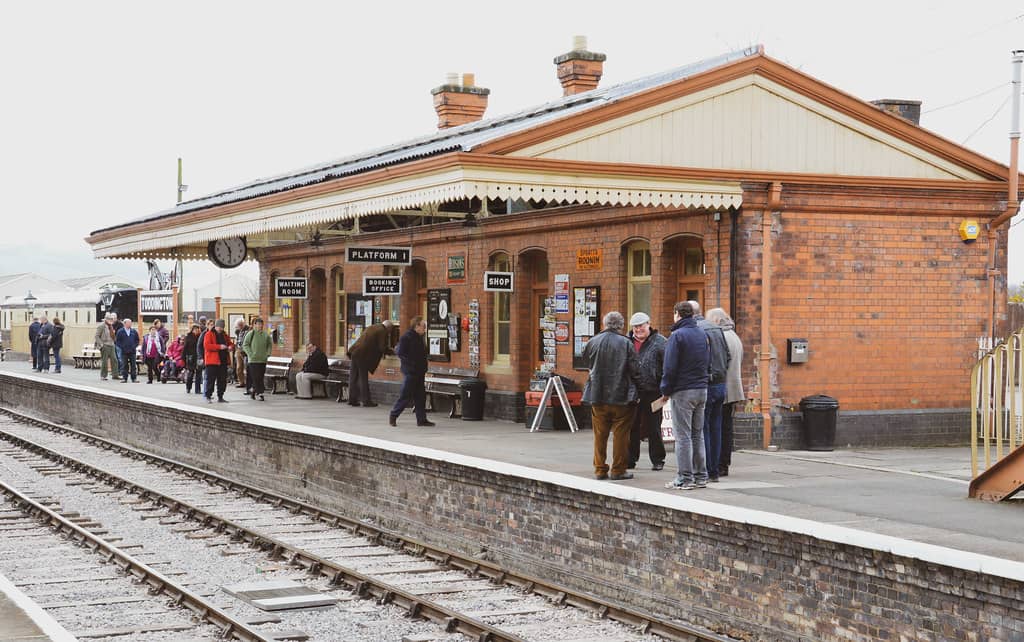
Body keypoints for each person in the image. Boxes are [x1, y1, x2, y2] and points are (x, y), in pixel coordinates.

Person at [582, 311, 640, 481]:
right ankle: (618, 469)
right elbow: (635, 370)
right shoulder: (626, 343)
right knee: (621, 435)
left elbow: (586, 362)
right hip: (621, 396)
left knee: (600, 434)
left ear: (605, 323)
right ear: (621, 325)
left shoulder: (593, 342)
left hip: (597, 395)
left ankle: (600, 469)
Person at [660, 301, 710, 491]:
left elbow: (669, 367)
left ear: (677, 314)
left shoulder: (677, 336)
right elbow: (708, 361)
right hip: (702, 388)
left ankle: (684, 478)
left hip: (683, 391)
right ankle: (700, 476)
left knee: (683, 437)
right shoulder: (702, 334)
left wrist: (665, 389)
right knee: (698, 435)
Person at [690, 301, 731, 483]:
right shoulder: (716, 329)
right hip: (721, 385)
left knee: (702, 429)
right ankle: (714, 470)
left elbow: (698, 359)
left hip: (705, 384)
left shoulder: (696, 330)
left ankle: (705, 469)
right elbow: (727, 356)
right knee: (716, 428)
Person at [626, 312, 667, 471]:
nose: (638, 329)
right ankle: (630, 459)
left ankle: (658, 459)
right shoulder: (626, 342)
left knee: (654, 427)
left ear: (649, 324)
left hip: (654, 391)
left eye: (641, 326)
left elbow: (667, 367)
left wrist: (665, 388)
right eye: (635, 327)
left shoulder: (660, 342)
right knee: (632, 426)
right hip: (632, 391)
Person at [708, 307, 744, 478]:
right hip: (733, 387)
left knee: (719, 428)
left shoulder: (721, 337)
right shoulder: (734, 336)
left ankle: (720, 463)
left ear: (716, 321)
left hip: (723, 387)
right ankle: (724, 463)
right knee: (726, 427)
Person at [389, 316, 433, 427]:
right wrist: (410, 365)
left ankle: (421, 419)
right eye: (423, 326)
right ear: (417, 326)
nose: (425, 329)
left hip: (420, 371)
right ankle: (393, 415)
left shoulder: (419, 337)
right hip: (411, 372)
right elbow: (400, 352)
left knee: (420, 397)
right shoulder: (407, 337)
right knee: (405, 395)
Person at [346, 320, 393, 406]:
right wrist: (392, 351)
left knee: (353, 377)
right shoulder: (382, 331)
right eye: (391, 330)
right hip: (362, 355)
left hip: (355, 351)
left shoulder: (373, 327)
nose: (390, 332)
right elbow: (382, 347)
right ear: (388, 328)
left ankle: (352, 399)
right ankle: (366, 400)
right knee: (363, 378)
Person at [242, 318, 273, 401]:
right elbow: (245, 345)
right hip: (253, 360)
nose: (259, 326)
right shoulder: (250, 334)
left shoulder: (265, 335)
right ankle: (260, 393)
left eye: (261, 324)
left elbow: (270, 344)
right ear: (254, 325)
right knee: (256, 377)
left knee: (260, 377)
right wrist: (250, 354)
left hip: (262, 359)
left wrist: (268, 353)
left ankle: (253, 390)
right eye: (258, 324)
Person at [203, 319, 232, 403]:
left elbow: (230, 343)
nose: (220, 328)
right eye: (218, 326)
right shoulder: (208, 334)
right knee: (210, 380)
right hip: (212, 361)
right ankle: (208, 396)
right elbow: (207, 346)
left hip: (223, 361)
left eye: (221, 327)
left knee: (222, 380)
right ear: (215, 326)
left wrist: (230, 347)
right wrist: (219, 347)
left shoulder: (225, 335)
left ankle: (220, 396)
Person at [115, 319, 140, 383]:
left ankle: (134, 378)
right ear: (125, 323)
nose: (130, 324)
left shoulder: (133, 331)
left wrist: (134, 346)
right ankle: (124, 378)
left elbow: (137, 340)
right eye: (129, 323)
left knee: (133, 365)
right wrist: (122, 347)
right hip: (124, 351)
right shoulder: (120, 331)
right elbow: (117, 341)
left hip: (132, 351)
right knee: (124, 365)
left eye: (131, 323)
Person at [94, 313, 118, 381]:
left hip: (111, 344)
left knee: (114, 360)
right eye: (110, 319)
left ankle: (115, 375)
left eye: (111, 319)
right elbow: (97, 336)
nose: (111, 320)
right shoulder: (101, 326)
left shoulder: (111, 326)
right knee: (105, 361)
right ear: (106, 319)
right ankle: (103, 375)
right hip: (105, 345)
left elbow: (113, 336)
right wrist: (101, 345)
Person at [183, 323, 203, 393]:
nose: (196, 331)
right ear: (192, 330)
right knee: (190, 374)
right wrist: (183, 358)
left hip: (198, 357)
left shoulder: (200, 336)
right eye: (195, 329)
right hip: (191, 357)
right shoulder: (188, 337)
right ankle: (188, 387)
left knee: (198, 374)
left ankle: (197, 390)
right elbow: (185, 348)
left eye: (198, 329)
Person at [234, 318, 250, 391]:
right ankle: (241, 382)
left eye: (240, 325)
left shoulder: (248, 330)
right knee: (239, 367)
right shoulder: (237, 331)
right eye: (238, 326)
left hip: (245, 351)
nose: (239, 327)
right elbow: (237, 340)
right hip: (238, 349)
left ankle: (248, 383)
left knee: (246, 367)